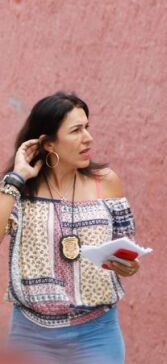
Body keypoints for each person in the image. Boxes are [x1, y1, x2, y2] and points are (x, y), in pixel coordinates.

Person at [0, 92, 141, 363]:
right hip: (31, 335)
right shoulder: (18, 189)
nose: (88, 138)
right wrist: (17, 178)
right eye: (76, 130)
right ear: (49, 142)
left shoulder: (107, 181)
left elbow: (128, 252)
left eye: (87, 127)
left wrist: (128, 265)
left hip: (97, 333)